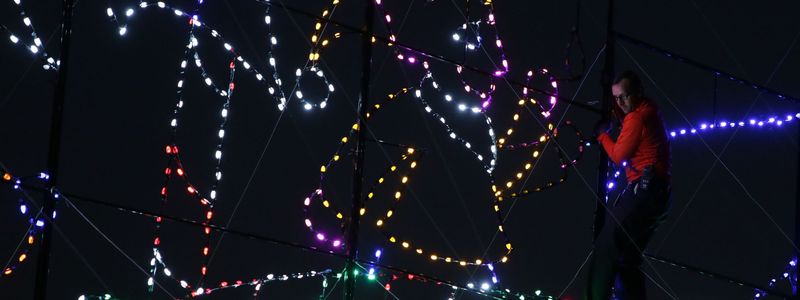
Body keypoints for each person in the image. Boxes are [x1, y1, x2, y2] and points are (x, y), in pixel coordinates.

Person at [586, 71, 671, 299]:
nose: (620, 102)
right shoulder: (647, 109)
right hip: (659, 195)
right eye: (616, 97)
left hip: (643, 192)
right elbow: (626, 114)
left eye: (624, 96)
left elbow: (619, 155)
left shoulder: (637, 118)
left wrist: (602, 136)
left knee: (606, 247)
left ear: (638, 92)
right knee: (628, 259)